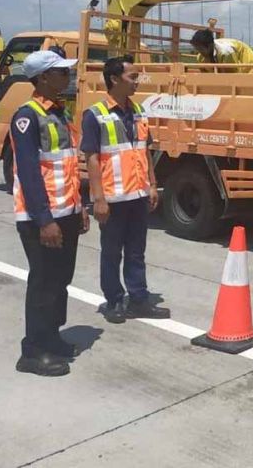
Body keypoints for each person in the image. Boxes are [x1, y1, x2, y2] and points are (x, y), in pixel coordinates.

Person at [11, 50, 89, 376]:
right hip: (42, 218)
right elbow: (29, 174)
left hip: (66, 212)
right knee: (43, 281)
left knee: (60, 279)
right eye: (60, 72)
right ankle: (33, 350)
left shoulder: (59, 113)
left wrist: (79, 206)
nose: (66, 77)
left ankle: (52, 336)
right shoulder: (26, 117)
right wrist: (45, 220)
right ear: (42, 78)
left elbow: (68, 166)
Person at [82, 56, 170, 323]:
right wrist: (98, 199)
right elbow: (92, 159)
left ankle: (139, 298)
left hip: (138, 196)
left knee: (136, 252)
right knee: (111, 252)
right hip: (112, 197)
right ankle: (115, 300)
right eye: (133, 77)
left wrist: (152, 185)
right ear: (114, 80)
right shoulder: (95, 115)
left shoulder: (139, 112)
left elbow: (145, 152)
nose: (137, 82)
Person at [189, 29, 253, 72]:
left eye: (201, 49)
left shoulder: (226, 52)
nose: (199, 52)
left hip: (246, 62)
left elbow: (232, 75)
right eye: (197, 49)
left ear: (210, 45)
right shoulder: (201, 57)